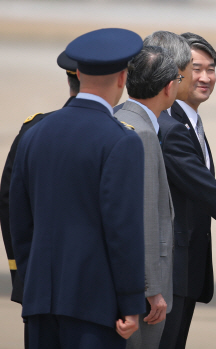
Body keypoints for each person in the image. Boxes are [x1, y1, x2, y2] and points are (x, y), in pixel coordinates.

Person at [9, 28, 146, 349]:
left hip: (40, 301)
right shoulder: (121, 140)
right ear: (123, 78)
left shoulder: (34, 133)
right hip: (94, 306)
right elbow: (123, 230)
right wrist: (130, 302)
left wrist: (32, 286)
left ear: (78, 73)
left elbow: (19, 219)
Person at [157, 32, 216, 349]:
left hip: (185, 270)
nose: (205, 77)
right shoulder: (169, 125)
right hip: (168, 272)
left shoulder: (189, 122)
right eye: (196, 68)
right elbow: (205, 187)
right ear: (175, 71)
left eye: (211, 69)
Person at [0, 50, 79, 348]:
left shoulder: (33, 129)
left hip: (37, 284)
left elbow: (9, 202)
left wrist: (22, 271)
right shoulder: (119, 135)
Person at [114, 45, 179, 349]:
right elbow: (145, 217)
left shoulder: (116, 117)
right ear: (168, 88)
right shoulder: (142, 134)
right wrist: (151, 288)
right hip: (142, 291)